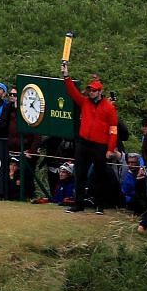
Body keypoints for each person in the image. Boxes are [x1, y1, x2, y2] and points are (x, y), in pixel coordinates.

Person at [61, 63, 119, 214]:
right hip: (83, 142)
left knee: (100, 175)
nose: (91, 92)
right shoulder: (85, 102)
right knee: (79, 173)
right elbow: (72, 92)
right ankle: (78, 204)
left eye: (94, 90)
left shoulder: (109, 108)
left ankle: (100, 205)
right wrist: (66, 76)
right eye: (90, 90)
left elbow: (113, 130)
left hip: (99, 145)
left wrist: (110, 148)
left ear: (100, 91)